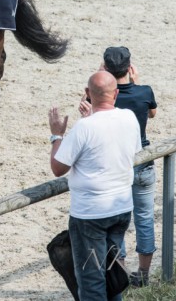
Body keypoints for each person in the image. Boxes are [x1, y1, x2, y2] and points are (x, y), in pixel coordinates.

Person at [49, 70, 141, 300]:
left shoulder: (84, 128)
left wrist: (56, 136)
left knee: (92, 281)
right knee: (113, 271)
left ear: (88, 94)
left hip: (90, 215)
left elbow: (58, 168)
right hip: (120, 209)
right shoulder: (129, 118)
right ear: (116, 93)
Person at [79, 46, 158, 287]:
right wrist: (137, 82)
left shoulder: (100, 97)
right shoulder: (144, 92)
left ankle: (120, 272)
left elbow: (88, 110)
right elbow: (152, 113)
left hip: (115, 165)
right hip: (142, 162)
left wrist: (98, 79)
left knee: (116, 220)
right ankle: (143, 274)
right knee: (144, 218)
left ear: (105, 68)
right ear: (130, 67)